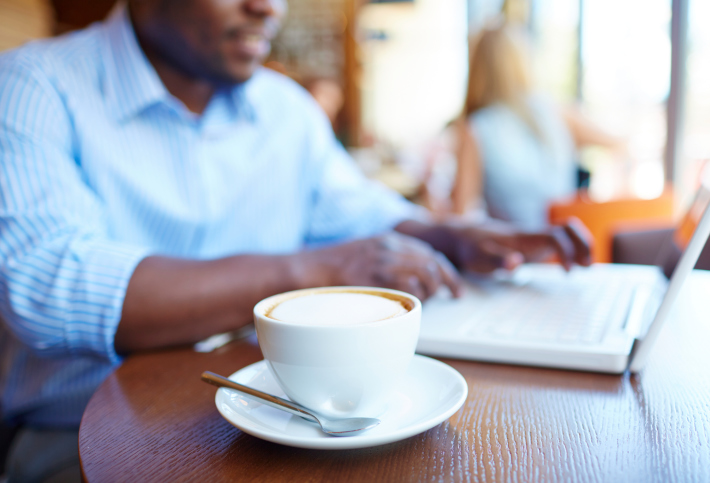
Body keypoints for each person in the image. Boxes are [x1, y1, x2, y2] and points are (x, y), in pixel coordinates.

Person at [0, 1, 591, 480]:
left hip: (290, 415)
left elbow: (357, 212)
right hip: (78, 435)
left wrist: (458, 234)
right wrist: (318, 267)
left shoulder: (285, 110)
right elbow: (52, 291)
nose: (268, 8)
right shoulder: (32, 88)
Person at [452, 23, 623, 230]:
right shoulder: (558, 112)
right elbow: (619, 143)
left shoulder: (475, 129)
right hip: (569, 246)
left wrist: (429, 195)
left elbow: (460, 219)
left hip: (518, 254)